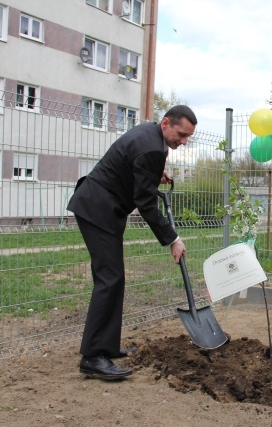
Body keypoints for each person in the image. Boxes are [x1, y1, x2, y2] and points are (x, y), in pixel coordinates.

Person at [67, 105, 197, 380]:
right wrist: (172, 239)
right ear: (165, 123)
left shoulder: (152, 136)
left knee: (114, 278)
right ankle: (92, 357)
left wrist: (153, 174)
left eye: (188, 137)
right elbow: (146, 204)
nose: (184, 141)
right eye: (181, 134)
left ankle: (106, 347)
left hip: (102, 207)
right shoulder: (151, 147)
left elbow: (135, 162)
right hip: (97, 209)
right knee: (109, 279)